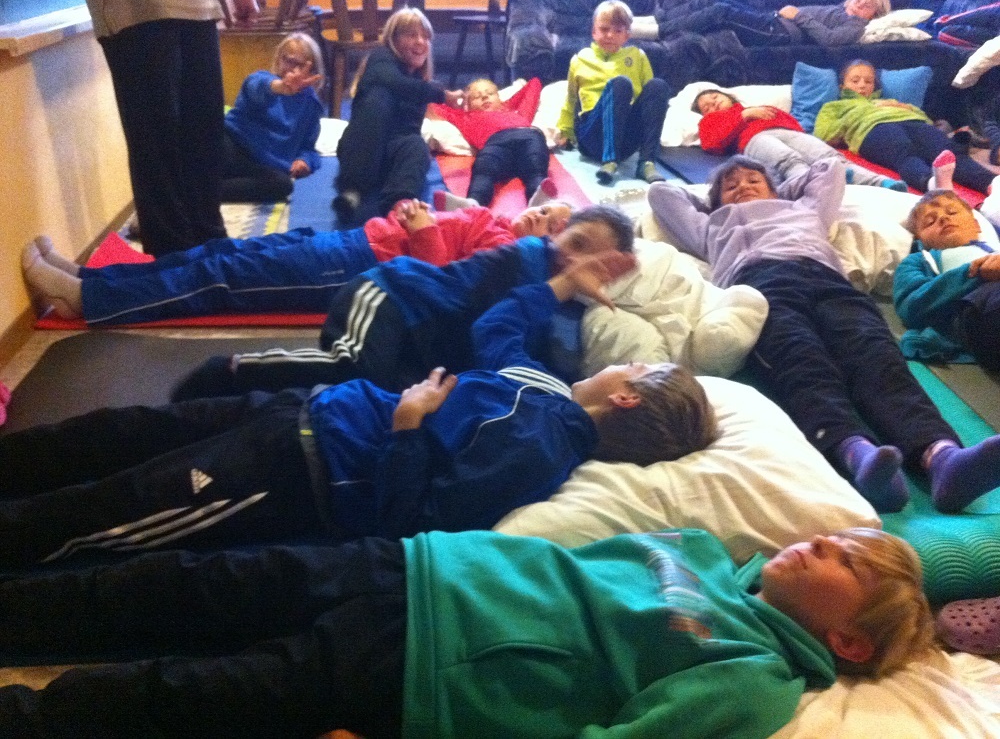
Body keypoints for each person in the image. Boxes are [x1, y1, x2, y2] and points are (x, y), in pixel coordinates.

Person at [0, 253, 721, 570]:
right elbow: (496, 330)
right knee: (123, 432)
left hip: (298, 467)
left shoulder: (540, 449)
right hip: (306, 412)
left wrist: (408, 427)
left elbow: (415, 518)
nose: (623, 362)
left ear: (626, 396)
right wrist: (560, 284)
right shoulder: (546, 388)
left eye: (635, 368)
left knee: (113, 508)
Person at [0, 526, 936, 736]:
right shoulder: (698, 546)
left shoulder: (756, 677)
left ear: (848, 643)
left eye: (848, 565)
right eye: (841, 537)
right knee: (186, 586)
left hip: (418, 668)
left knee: (187, 695)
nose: (824, 543)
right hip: (409, 565)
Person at [648, 156, 1000, 514]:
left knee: (878, 361)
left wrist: (778, 192)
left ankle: (942, 459)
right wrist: (712, 202)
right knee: (801, 364)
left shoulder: (804, 208)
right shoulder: (710, 224)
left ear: (774, 187)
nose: (743, 187)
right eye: (730, 185)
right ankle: (858, 456)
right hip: (759, 285)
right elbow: (661, 194)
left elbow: (828, 169)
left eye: (754, 179)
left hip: (829, 280)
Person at [171, 204, 633, 400]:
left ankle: (254, 404)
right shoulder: (526, 256)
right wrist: (562, 286)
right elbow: (490, 326)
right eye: (576, 243)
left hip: (421, 352)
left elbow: (546, 366)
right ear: (558, 233)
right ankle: (230, 370)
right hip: (392, 298)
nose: (576, 261)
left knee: (371, 400)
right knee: (351, 367)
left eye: (593, 259)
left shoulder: (570, 314)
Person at [19, 200, 572, 326]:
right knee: (223, 251)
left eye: (552, 226)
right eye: (547, 209)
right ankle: (91, 278)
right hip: (356, 240)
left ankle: (87, 301)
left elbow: (440, 286)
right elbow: (442, 228)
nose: (540, 217)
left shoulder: (510, 258)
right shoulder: (495, 220)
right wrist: (413, 213)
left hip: (354, 269)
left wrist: (423, 230)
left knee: (222, 279)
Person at [81, 0, 259, 257]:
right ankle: (172, 262)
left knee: (206, 139)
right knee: (156, 147)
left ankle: (212, 255)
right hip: (136, 8)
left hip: (198, 4)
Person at [333, 8, 463, 226]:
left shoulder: (420, 84)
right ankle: (352, 190)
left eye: (425, 37)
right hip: (362, 152)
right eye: (412, 35)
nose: (420, 41)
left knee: (417, 145)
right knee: (379, 98)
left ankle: (399, 204)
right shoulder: (381, 60)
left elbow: (409, 131)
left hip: (391, 158)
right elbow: (394, 83)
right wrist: (442, 95)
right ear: (393, 40)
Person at [814, 60, 998, 194]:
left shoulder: (890, 101)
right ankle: (933, 184)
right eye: (855, 81)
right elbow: (822, 134)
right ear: (842, 86)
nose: (862, 85)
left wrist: (905, 108)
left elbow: (926, 119)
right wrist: (851, 120)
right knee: (904, 154)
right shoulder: (834, 106)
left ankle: (992, 183)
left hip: (912, 122)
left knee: (948, 153)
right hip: (871, 128)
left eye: (868, 81)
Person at [556, 0, 671, 186]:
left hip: (625, 139)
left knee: (658, 86)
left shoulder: (637, 56)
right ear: (593, 32)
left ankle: (647, 162)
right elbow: (571, 99)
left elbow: (650, 102)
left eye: (618, 31)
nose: (610, 35)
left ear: (626, 36)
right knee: (620, 84)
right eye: (604, 29)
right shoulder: (580, 59)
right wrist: (565, 131)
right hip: (593, 136)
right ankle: (610, 160)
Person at [693, 87, 905, 189]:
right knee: (788, 160)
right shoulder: (710, 122)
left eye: (715, 97)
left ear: (727, 96)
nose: (713, 104)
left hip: (790, 133)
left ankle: (882, 183)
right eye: (706, 107)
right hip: (754, 140)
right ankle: (814, 189)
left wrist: (754, 112)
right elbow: (714, 142)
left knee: (830, 156)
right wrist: (744, 116)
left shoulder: (760, 108)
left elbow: (791, 122)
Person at [893, 189, 1000, 370]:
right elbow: (910, 305)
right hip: (977, 308)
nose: (943, 218)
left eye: (952, 212)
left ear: (976, 225)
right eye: (930, 221)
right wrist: (976, 273)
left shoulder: (995, 248)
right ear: (921, 239)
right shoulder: (918, 260)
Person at [221, 32, 324, 203]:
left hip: (262, 164)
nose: (293, 69)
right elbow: (254, 87)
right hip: (234, 143)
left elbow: (308, 146)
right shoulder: (264, 80)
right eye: (288, 61)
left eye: (300, 65)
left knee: (283, 185)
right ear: (278, 59)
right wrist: (280, 87)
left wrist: (304, 160)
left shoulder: (311, 105)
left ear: (313, 71)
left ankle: (206, 191)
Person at [428, 77, 556, 208]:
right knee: (483, 170)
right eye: (476, 97)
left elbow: (534, 83)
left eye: (490, 93)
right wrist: (451, 99)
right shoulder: (464, 117)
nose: (484, 97)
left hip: (527, 136)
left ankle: (540, 202)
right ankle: (473, 203)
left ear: (499, 98)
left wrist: (506, 102)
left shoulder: (511, 109)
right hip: (495, 144)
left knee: (536, 167)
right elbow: (431, 106)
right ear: (468, 104)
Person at [657, 0, 891, 48]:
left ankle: (657, 31)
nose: (858, 4)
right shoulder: (838, 10)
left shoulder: (855, 26)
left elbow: (829, 39)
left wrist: (798, 15)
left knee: (721, 11)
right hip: (772, 18)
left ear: (875, 14)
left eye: (866, 5)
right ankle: (655, 21)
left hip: (779, 31)